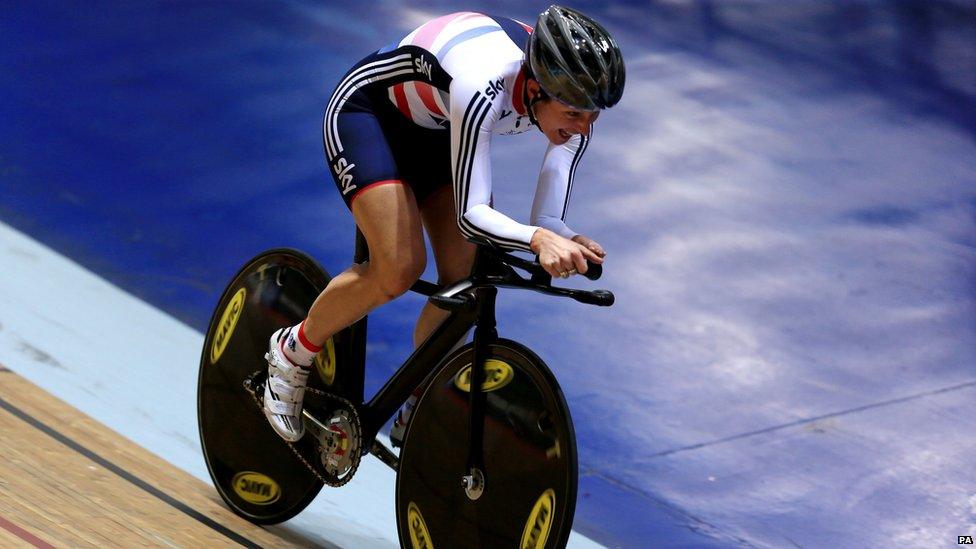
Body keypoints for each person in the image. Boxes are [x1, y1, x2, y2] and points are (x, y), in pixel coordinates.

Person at [262, 5, 626, 445]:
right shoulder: (483, 80)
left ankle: (417, 397)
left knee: (466, 280)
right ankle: (292, 350)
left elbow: (546, 219)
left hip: (438, 128)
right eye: (573, 115)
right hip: (369, 116)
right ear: (536, 88)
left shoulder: (576, 101)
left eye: (593, 115)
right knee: (398, 268)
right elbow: (472, 216)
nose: (584, 127)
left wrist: (561, 236)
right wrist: (537, 239)